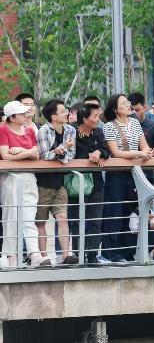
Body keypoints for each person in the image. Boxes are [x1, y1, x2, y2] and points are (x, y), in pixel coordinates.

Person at [103, 94, 154, 263]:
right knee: (115, 212)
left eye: (127, 102)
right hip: (117, 174)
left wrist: (147, 152)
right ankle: (111, 253)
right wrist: (140, 153)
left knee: (130, 211)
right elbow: (116, 152)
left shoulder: (135, 123)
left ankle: (127, 251)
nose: (128, 104)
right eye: (123, 103)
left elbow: (144, 145)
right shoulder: (109, 126)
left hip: (134, 172)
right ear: (115, 109)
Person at [0, 101, 51, 267]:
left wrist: (21, 151)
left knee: (29, 216)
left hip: (29, 176)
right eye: (21, 113)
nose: (24, 115)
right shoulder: (3, 130)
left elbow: (36, 154)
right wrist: (28, 153)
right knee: (11, 216)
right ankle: (12, 256)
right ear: (12, 117)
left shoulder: (29, 130)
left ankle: (34, 253)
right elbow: (5, 156)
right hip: (11, 177)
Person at [35, 99, 78, 265]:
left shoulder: (70, 130)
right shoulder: (44, 130)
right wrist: (61, 149)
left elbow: (71, 155)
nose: (66, 113)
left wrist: (61, 151)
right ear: (53, 116)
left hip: (60, 182)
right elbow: (45, 155)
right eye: (62, 111)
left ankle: (66, 255)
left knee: (62, 218)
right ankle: (43, 257)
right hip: (42, 183)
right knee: (40, 222)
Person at [72, 102, 109, 265]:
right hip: (76, 184)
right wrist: (89, 155)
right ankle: (78, 254)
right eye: (95, 116)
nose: (98, 119)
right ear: (85, 119)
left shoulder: (98, 132)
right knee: (76, 220)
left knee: (96, 221)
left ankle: (92, 255)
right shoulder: (72, 132)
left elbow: (107, 150)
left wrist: (99, 152)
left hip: (96, 183)